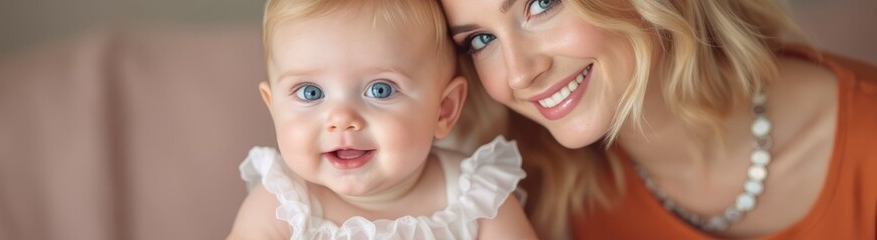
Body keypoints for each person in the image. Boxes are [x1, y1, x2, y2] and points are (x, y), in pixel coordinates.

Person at [439, 0, 877, 239]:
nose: (518, 73)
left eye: (541, 3)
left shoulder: (865, 140)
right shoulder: (526, 193)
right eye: (480, 40)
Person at [227, 0, 537, 239]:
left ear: (443, 109)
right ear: (274, 108)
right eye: (310, 93)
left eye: (380, 90)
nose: (341, 120)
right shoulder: (281, 208)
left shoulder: (478, 200)